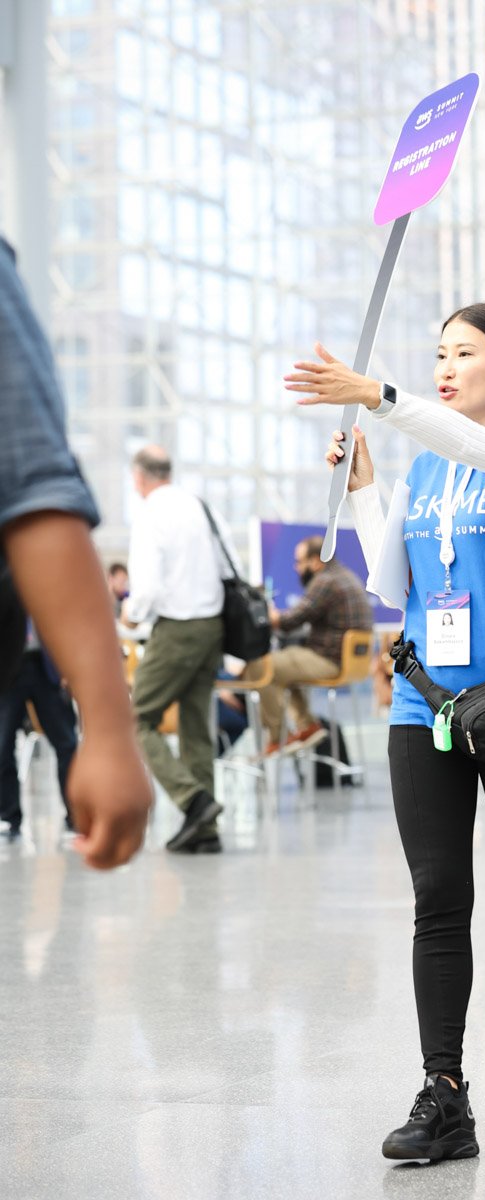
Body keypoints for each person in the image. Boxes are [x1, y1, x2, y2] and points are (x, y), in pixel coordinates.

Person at [285, 302, 485, 1161]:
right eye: (438, 353)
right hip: (424, 706)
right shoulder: (426, 465)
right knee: (438, 898)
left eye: (465, 353)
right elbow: (393, 585)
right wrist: (370, 483)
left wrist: (379, 394)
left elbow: (473, 444)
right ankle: (444, 1093)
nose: (447, 365)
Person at [0, 234, 151, 870]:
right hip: (36, 654)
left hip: (37, 653)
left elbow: (33, 491)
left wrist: (110, 731)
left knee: (46, 733)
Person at [123, 446, 232, 854]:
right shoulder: (199, 506)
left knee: (134, 720)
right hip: (212, 627)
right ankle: (205, 833)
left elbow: (147, 586)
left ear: (138, 478)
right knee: (194, 726)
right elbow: (228, 565)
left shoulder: (151, 512)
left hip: (178, 627)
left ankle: (194, 801)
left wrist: (133, 615)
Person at [253, 535, 373, 754]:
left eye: (299, 562)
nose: (296, 568)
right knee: (286, 666)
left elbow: (289, 621)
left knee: (262, 667)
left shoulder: (325, 581)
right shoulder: (346, 576)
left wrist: (268, 612)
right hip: (349, 662)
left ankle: (279, 738)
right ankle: (307, 726)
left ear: (316, 561)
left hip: (330, 661)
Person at [0, 621, 79, 838]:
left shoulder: (48, 587)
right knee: (2, 747)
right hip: (7, 670)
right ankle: (9, 816)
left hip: (46, 669)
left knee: (67, 745)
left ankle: (76, 816)